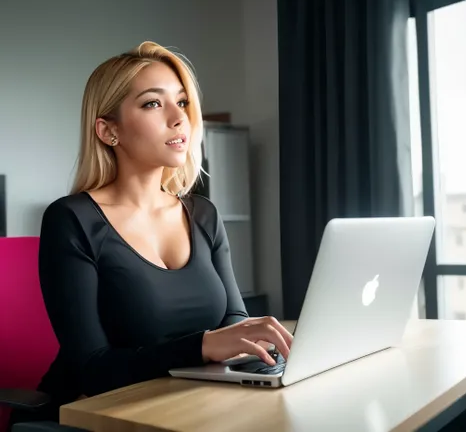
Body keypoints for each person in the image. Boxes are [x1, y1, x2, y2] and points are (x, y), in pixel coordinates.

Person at [8, 41, 292, 428]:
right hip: (91, 414)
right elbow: (93, 369)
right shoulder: (71, 219)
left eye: (183, 102)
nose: (180, 119)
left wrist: (251, 338)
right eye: (153, 104)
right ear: (108, 131)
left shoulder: (202, 214)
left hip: (188, 404)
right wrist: (203, 345)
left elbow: (232, 319)